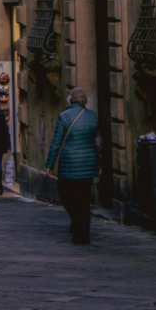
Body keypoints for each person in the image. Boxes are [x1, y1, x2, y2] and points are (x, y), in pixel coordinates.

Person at [46, 87, 102, 245]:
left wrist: (50, 164)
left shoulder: (64, 116)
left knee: (65, 193)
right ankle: (84, 233)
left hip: (69, 163)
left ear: (71, 99)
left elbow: (56, 143)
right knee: (84, 199)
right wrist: (99, 163)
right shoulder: (92, 116)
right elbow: (98, 142)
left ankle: (77, 222)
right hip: (89, 163)